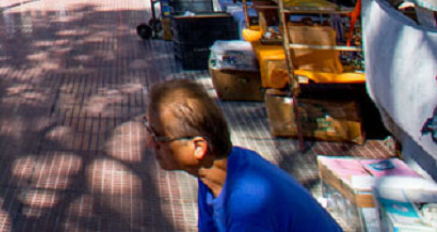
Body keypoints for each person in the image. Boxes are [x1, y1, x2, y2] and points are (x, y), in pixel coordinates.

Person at [146, 78, 341, 232]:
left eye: (158, 136)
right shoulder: (214, 173)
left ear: (199, 147)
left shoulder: (247, 205)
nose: (150, 143)